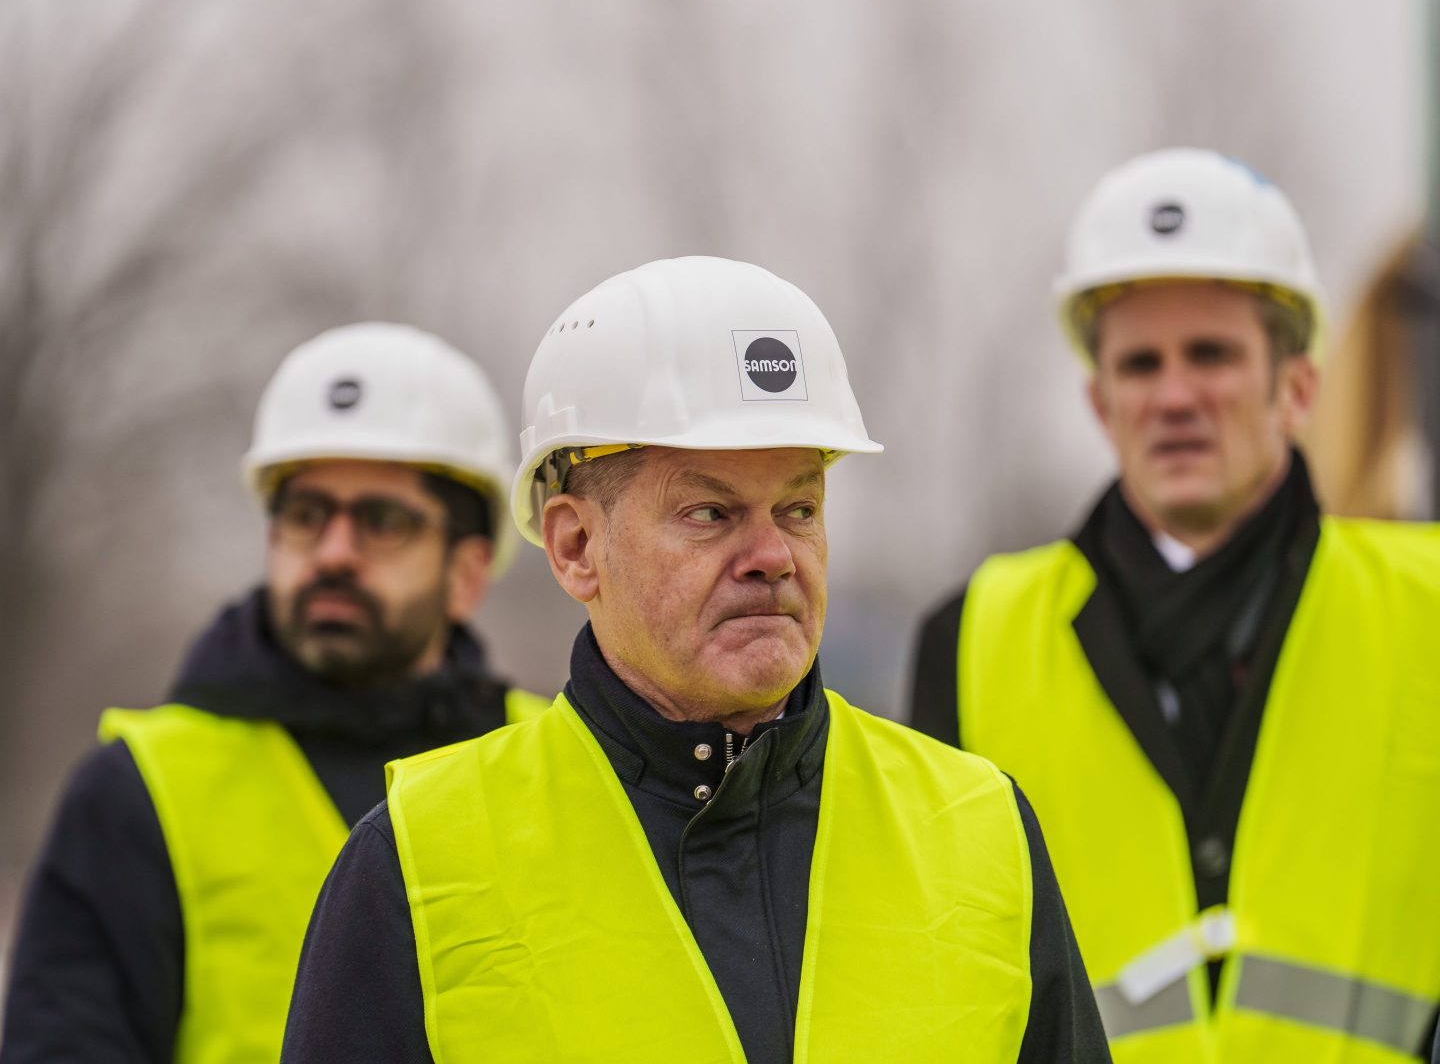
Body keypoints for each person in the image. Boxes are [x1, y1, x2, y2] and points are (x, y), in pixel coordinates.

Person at [280, 256, 1111, 1063]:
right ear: (575, 546)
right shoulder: (418, 864)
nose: (773, 555)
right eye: (710, 512)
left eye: (799, 508)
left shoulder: (981, 828)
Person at [910, 148, 1440, 1062]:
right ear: (1100, 400)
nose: (1175, 395)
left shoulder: (1426, 610)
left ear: (1298, 387)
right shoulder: (971, 640)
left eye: (1212, 355)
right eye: (1140, 364)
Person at [1, 323, 549, 1064]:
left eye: (384, 520)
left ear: (468, 572)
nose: (333, 552)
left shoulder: (557, 771)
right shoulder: (136, 792)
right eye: (305, 515)